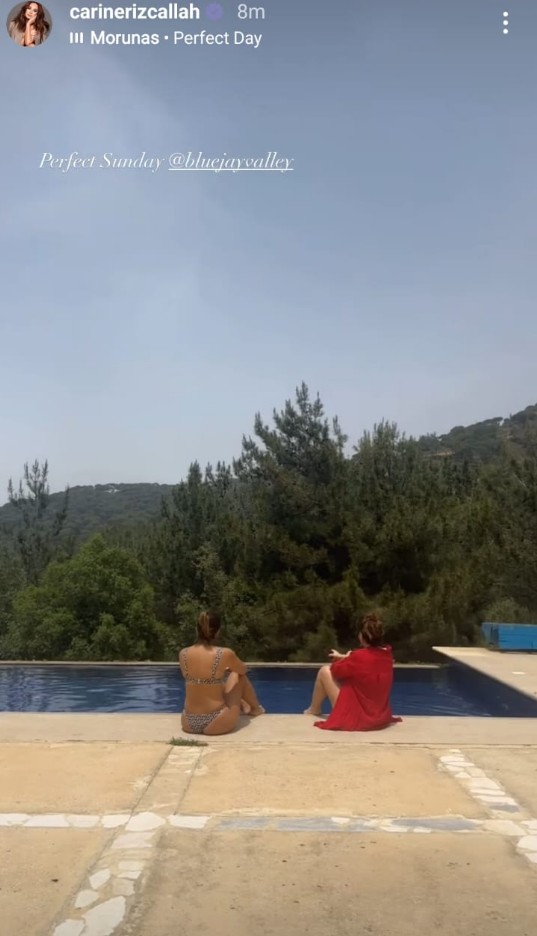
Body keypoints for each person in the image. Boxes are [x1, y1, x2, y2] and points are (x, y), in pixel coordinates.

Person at [304, 612, 402, 731]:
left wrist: (345, 658)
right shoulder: (387, 655)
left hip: (359, 718)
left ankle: (314, 709)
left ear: (362, 636)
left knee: (324, 671)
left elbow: (336, 671)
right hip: (379, 716)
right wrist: (346, 657)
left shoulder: (359, 657)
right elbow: (368, 665)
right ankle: (314, 709)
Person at [179, 611, 265, 736]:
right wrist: (228, 668)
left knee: (210, 682)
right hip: (217, 719)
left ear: (197, 629)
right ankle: (256, 709)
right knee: (237, 675)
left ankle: (243, 703)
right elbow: (243, 669)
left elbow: (201, 680)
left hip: (188, 721)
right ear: (217, 631)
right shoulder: (224, 653)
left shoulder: (183, 653)